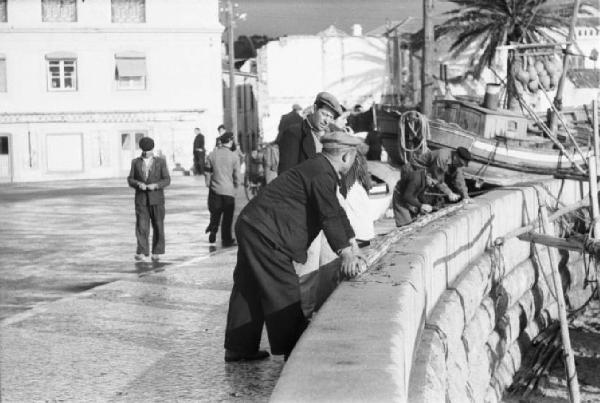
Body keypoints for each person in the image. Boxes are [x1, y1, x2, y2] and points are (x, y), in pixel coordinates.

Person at [223, 131, 368, 362]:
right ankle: (295, 352)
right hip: (266, 233)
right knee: (284, 287)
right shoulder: (322, 173)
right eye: (354, 159)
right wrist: (346, 255)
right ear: (346, 157)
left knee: (248, 287)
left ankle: (239, 347)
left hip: (251, 224)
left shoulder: (318, 167)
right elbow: (328, 216)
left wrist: (351, 244)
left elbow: (336, 212)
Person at [127, 137, 171, 262]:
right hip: (141, 200)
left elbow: (167, 179)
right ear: (142, 149)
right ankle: (142, 251)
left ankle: (157, 252)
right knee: (141, 226)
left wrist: (156, 185)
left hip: (157, 199)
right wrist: (138, 184)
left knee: (158, 225)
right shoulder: (135, 162)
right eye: (145, 149)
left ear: (152, 148)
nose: (147, 152)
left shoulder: (160, 162)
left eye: (149, 149)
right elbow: (130, 179)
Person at [277, 91, 343, 174]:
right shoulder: (294, 133)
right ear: (314, 109)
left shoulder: (330, 136)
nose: (327, 121)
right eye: (324, 114)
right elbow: (286, 176)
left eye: (330, 117)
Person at [204, 131, 240, 247]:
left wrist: (209, 183)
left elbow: (207, 171)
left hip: (215, 189)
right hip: (228, 190)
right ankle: (226, 238)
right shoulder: (234, 156)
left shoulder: (212, 154)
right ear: (230, 141)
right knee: (227, 217)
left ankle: (214, 227)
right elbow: (237, 175)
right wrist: (236, 186)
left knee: (216, 212)